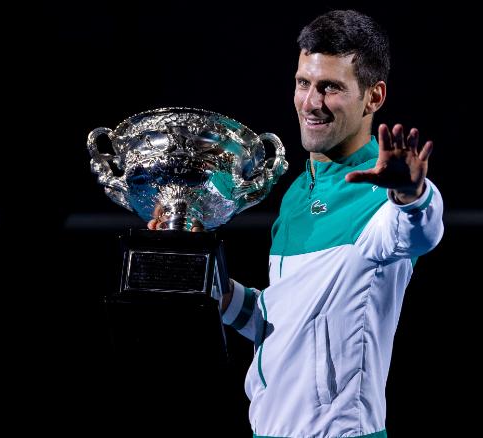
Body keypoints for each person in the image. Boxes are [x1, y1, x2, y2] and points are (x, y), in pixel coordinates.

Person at [149, 9, 444, 438]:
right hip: (266, 429)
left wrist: (412, 195)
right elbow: (271, 320)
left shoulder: (383, 197)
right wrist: (202, 272)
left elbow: (420, 231)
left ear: (373, 97)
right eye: (303, 83)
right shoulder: (295, 197)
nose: (311, 102)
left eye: (331, 88)